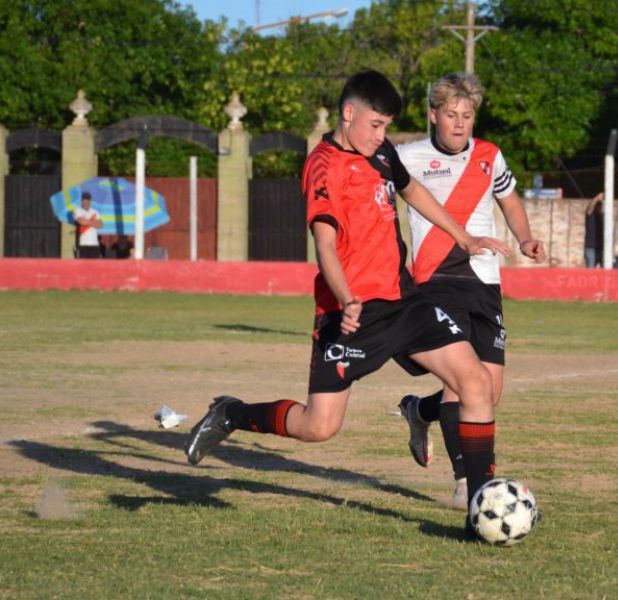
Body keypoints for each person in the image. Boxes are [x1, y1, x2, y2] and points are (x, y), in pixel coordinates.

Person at [184, 70, 510, 536]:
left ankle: (481, 507)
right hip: (352, 313)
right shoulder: (323, 165)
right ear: (348, 114)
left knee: (475, 383)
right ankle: (232, 412)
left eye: (386, 128)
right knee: (319, 426)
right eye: (376, 125)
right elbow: (325, 241)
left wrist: (463, 236)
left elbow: (412, 189)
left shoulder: (379, 152)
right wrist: (345, 297)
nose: (382, 136)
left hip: (404, 300)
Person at [395, 72, 547, 510]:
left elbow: (510, 200)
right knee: (464, 383)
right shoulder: (407, 157)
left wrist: (524, 239)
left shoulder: (489, 156)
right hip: (436, 280)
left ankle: (418, 411)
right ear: (432, 115)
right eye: (450, 114)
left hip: (485, 281)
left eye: (467, 115)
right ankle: (466, 482)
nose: (459, 123)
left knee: (488, 391)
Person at [73, 193, 103, 258]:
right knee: (82, 266)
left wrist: (87, 221)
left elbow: (100, 224)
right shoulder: (78, 211)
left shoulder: (95, 212)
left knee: (94, 267)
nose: (86, 202)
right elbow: (81, 222)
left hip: (94, 244)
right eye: (84, 200)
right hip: (82, 244)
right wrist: (94, 222)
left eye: (88, 201)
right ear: (82, 201)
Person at [584, 192, 604, 268]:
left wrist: (602, 201)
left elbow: (604, 209)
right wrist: (597, 198)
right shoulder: (590, 215)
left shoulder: (602, 216)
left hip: (601, 247)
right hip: (590, 248)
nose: (599, 207)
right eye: (598, 206)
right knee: (591, 271)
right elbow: (590, 207)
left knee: (604, 271)